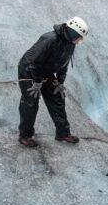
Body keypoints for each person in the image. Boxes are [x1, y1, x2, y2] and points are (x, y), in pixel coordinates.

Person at [17, 17, 89, 147]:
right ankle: (25, 136)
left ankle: (63, 133)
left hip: (45, 71)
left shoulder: (70, 43)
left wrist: (60, 82)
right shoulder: (50, 39)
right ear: (73, 32)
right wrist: (37, 82)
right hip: (28, 70)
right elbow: (34, 62)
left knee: (57, 99)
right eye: (80, 36)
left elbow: (64, 64)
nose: (80, 40)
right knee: (31, 102)